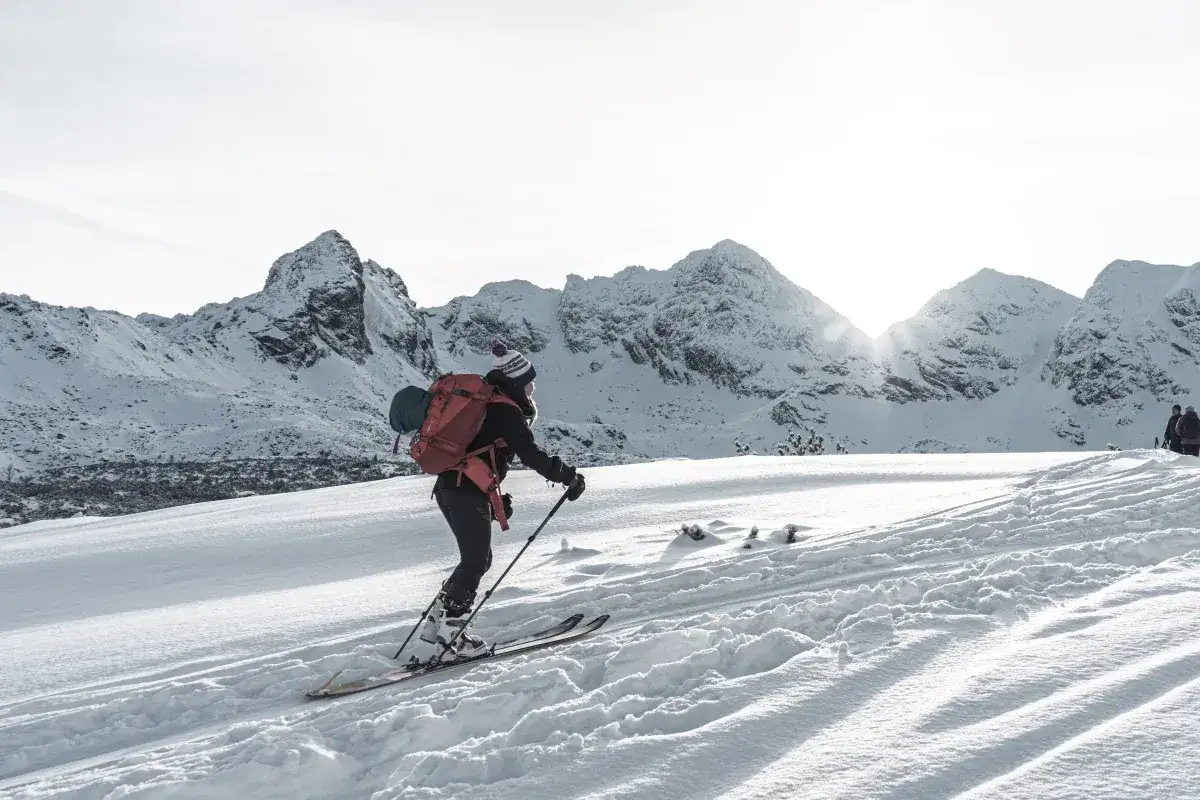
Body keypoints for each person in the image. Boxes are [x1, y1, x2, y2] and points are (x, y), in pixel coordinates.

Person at [419, 341, 586, 658]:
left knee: (477, 559)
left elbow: (481, 454)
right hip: (462, 490)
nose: (532, 390)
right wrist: (567, 476)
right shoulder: (505, 410)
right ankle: (449, 632)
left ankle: (439, 623)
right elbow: (530, 455)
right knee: (476, 560)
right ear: (516, 383)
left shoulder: (489, 405)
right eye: (529, 383)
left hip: (453, 488)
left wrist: (493, 497)